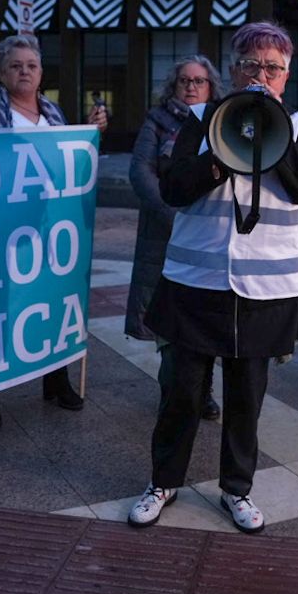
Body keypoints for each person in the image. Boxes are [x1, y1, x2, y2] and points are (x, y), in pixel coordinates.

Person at [126, 21, 298, 534]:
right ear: (234, 71)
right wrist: (220, 151)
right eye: (252, 65)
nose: (262, 76)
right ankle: (163, 481)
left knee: (246, 397)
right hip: (198, 281)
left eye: (273, 68)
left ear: (286, 75)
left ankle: (237, 489)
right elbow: (172, 188)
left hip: (266, 288)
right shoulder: (200, 120)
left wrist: (275, 128)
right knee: (182, 392)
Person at [0, 34, 108, 427]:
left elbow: (69, 166)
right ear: (1, 73)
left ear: (41, 73)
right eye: (15, 65)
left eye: (31, 65)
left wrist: (90, 136)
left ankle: (55, 380)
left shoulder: (53, 113)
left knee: (51, 301)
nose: (24, 71)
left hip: (50, 229)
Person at [125, 55, 225, 420]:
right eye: (185, 80)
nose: (191, 87)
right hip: (164, 236)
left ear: (211, 87)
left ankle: (204, 391)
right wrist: (174, 212)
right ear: (174, 85)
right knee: (168, 320)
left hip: (209, 238)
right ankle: (175, 392)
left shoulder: (221, 121)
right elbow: (140, 172)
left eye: (199, 81)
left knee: (206, 317)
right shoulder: (158, 121)